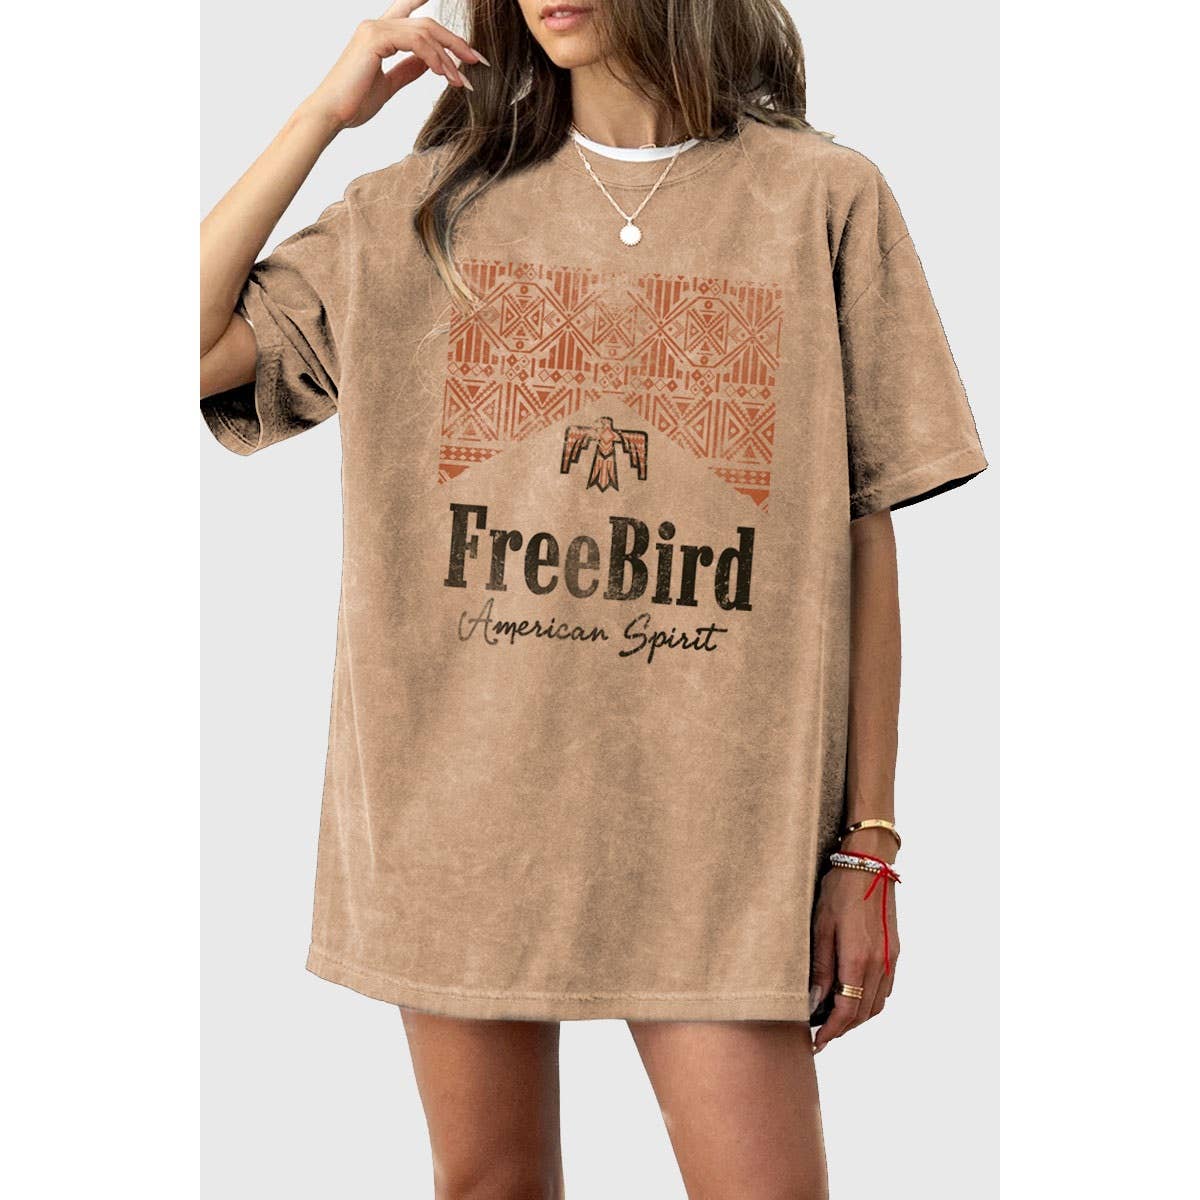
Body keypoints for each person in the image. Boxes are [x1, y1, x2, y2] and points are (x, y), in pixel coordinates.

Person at [199, 2, 987, 1195]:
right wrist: (322, 115)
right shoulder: (421, 210)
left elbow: (862, 525)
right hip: (460, 813)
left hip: (720, 836)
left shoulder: (820, 198)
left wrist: (867, 844)